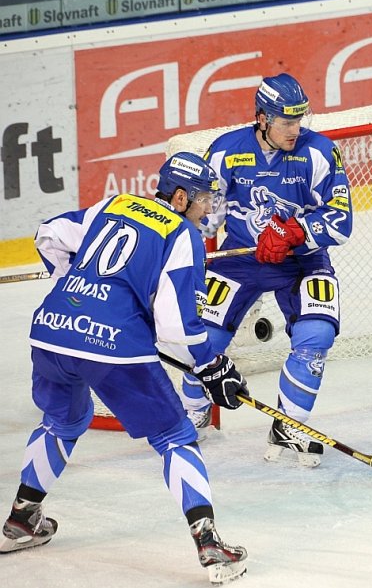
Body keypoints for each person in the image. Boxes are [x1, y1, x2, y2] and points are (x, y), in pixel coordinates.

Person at [1, 153, 249, 585]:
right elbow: (176, 328)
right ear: (179, 197)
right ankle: (210, 546)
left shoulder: (114, 204)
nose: (209, 207)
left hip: (52, 329)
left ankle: (21, 520)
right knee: (174, 436)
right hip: (113, 348)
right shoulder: (181, 234)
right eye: (203, 198)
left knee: (62, 421)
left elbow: (48, 234)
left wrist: (75, 287)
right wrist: (212, 364)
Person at [178, 72, 353, 468]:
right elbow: (205, 217)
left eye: (299, 120)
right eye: (286, 121)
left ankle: (289, 424)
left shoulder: (320, 152)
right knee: (201, 337)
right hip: (240, 259)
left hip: (303, 260)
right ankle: (192, 413)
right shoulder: (226, 152)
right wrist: (178, 242)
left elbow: (341, 221)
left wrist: (295, 232)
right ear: (262, 118)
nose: (295, 129)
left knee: (317, 334)